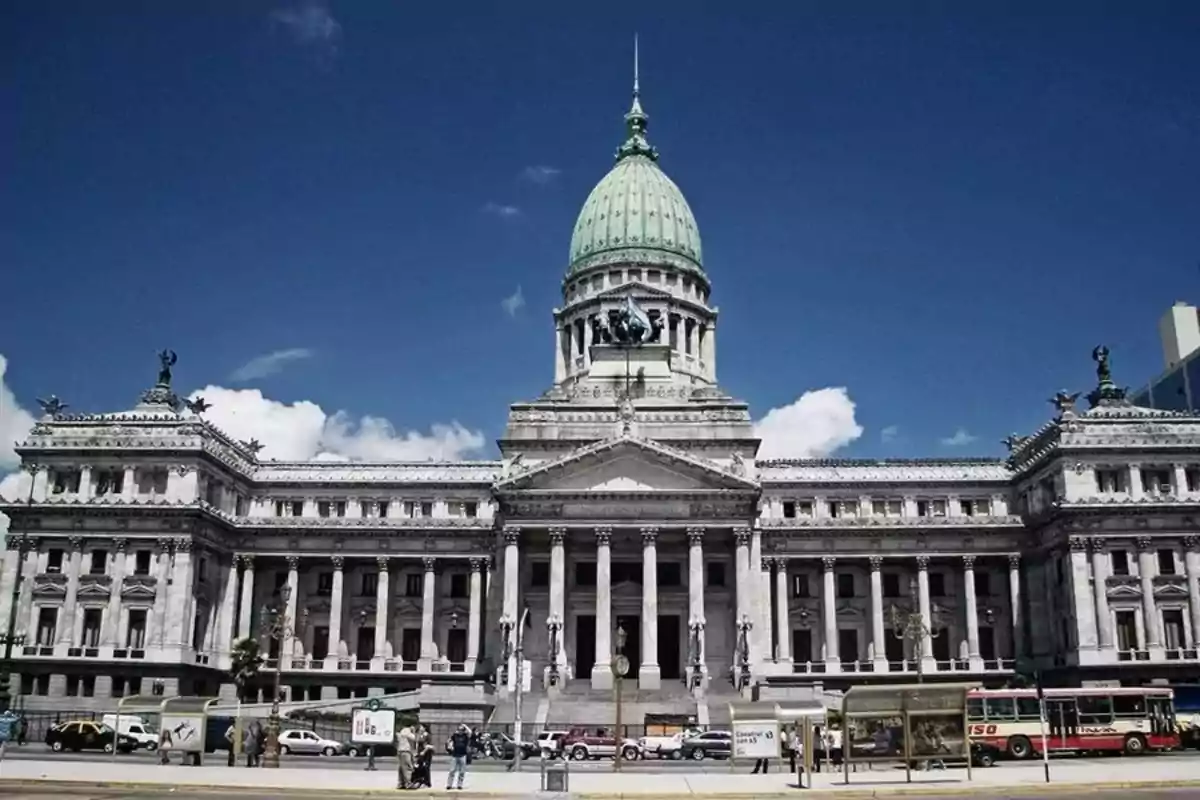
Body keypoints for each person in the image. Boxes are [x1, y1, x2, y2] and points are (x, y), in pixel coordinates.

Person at [446, 724, 471, 790]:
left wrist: (465, 726)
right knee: (452, 770)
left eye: (461, 730)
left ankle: (459, 785)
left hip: (463, 755)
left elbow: (470, 732)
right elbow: (449, 741)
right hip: (455, 755)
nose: (460, 731)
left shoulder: (465, 736)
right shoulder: (455, 735)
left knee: (462, 771)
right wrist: (450, 746)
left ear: (463, 731)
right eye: (459, 729)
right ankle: (449, 784)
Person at [396, 724, 416, 789]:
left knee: (402, 768)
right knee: (407, 767)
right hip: (405, 751)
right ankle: (408, 783)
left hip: (401, 750)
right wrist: (413, 732)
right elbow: (413, 738)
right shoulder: (406, 731)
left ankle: (401, 783)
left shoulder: (402, 731)